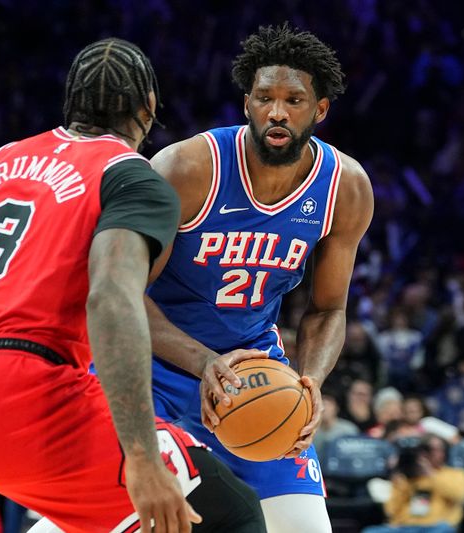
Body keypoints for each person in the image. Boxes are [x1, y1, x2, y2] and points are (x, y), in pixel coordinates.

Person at [0, 38, 264, 533]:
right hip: (18, 394)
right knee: (231, 514)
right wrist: (139, 455)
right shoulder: (130, 178)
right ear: (148, 107)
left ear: (69, 103)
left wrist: (8, 270)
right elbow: (112, 299)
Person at [144, 23, 373, 533]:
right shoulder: (187, 168)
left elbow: (329, 309)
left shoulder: (345, 188)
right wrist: (205, 363)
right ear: (247, 103)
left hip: (252, 380)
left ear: (320, 110)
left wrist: (309, 381)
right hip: (150, 373)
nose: (277, 111)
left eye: (294, 99)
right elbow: (122, 297)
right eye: (264, 97)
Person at [363, 435, 464, 533]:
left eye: (433, 449)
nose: (428, 454)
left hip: (436, 527)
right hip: (406, 528)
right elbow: (391, 511)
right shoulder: (407, 477)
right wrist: (398, 479)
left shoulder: (456, 474)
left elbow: (459, 496)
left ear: (444, 452)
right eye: (424, 449)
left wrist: (430, 474)